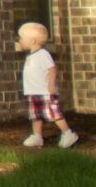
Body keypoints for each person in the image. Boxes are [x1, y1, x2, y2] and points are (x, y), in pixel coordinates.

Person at [17, 21, 78, 149]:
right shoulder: (31, 56)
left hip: (44, 91)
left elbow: (52, 69)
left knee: (54, 114)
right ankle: (37, 136)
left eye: (22, 38)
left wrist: (51, 85)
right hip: (33, 92)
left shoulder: (43, 55)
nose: (20, 41)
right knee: (36, 116)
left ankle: (68, 133)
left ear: (32, 41)